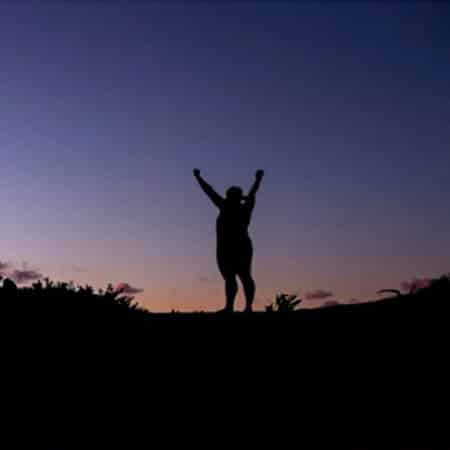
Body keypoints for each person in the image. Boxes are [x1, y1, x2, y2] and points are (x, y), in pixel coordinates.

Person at [193, 168, 264, 312]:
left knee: (243, 276)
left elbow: (210, 191)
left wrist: (258, 180)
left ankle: (246, 306)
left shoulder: (235, 207)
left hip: (239, 246)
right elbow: (209, 191)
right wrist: (198, 178)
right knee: (232, 277)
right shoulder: (229, 206)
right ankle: (231, 306)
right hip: (226, 247)